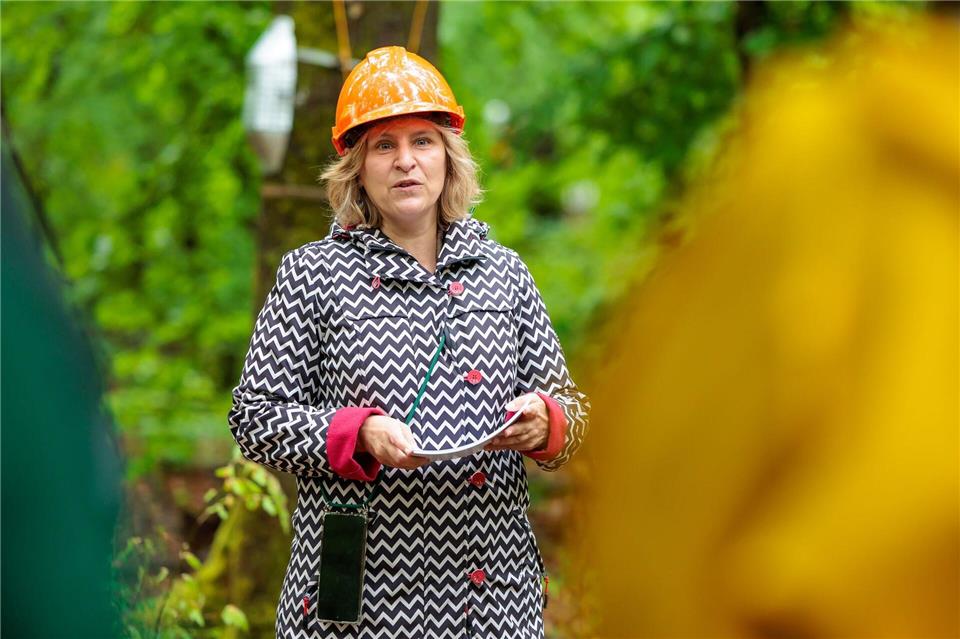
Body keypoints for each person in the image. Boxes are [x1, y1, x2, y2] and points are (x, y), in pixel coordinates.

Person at [228, 46, 590, 638]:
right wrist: (357, 432)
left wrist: (546, 421)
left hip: (493, 594)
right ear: (357, 166)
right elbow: (254, 419)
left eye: (422, 141)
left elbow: (572, 413)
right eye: (384, 146)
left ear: (448, 157)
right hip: (363, 589)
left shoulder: (503, 270)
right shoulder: (311, 274)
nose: (406, 162)